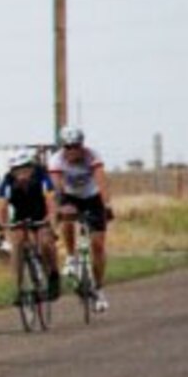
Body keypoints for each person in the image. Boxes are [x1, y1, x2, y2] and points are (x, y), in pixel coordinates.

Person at [49, 126, 112, 313]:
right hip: (70, 196)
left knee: (97, 245)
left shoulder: (92, 156)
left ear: (82, 146)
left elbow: (101, 181)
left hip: (92, 197)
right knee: (67, 216)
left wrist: (106, 205)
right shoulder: (56, 159)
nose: (72, 151)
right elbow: (57, 186)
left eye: (76, 146)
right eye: (68, 147)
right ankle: (70, 257)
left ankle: (99, 288)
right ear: (63, 147)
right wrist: (60, 205)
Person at [0, 148, 60, 301]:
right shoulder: (7, 183)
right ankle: (19, 289)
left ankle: (53, 275)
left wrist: (51, 221)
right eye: (17, 171)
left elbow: (51, 202)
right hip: (21, 214)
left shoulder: (42, 177)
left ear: (32, 168)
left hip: (41, 213)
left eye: (25, 169)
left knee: (45, 242)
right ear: (12, 172)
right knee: (17, 243)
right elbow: (1, 206)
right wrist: (1, 227)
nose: (22, 174)